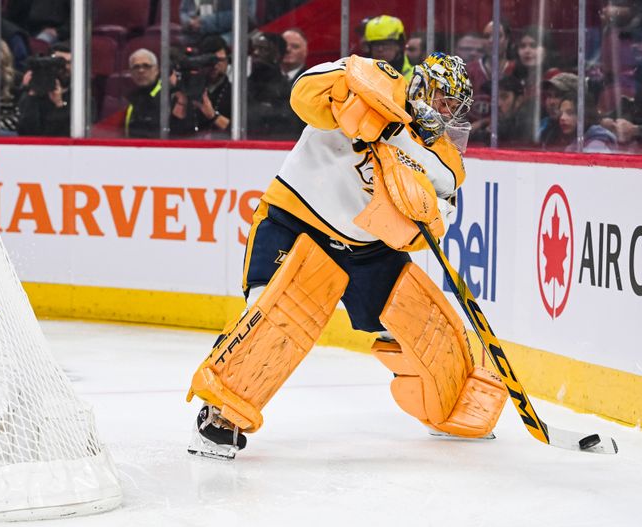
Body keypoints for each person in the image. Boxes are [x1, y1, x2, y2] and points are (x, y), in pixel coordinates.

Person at [185, 52, 507, 460]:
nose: (445, 114)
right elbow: (304, 93)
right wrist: (353, 96)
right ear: (424, 86)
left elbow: (435, 221)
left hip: (369, 249)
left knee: (420, 327)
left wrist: (417, 211)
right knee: (271, 317)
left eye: (453, 108)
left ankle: (453, 407)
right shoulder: (371, 79)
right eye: (443, 101)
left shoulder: (442, 158)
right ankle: (221, 416)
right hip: (297, 220)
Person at [171, 35, 232, 138]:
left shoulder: (237, 94)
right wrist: (181, 102)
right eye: (210, 60)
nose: (215, 65)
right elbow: (172, 132)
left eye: (220, 60)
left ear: (228, 61)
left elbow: (243, 133)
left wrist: (213, 116)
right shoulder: (186, 88)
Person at [179, 0, 257, 45]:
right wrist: (189, 22)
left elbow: (245, 15)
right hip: (195, 35)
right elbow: (184, 11)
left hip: (229, 35)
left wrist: (204, 23)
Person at [125, 49, 162, 138]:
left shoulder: (167, 96)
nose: (141, 71)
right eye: (136, 67)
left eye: (146, 66)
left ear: (156, 70)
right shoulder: (129, 99)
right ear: (131, 72)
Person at [363, 15, 413, 80]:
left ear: (398, 45)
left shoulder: (414, 77)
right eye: (376, 44)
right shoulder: (362, 76)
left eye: (386, 44)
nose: (380, 49)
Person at [539, 72, 578, 148]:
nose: (551, 102)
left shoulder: (593, 137)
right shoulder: (545, 128)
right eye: (549, 96)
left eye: (558, 96)